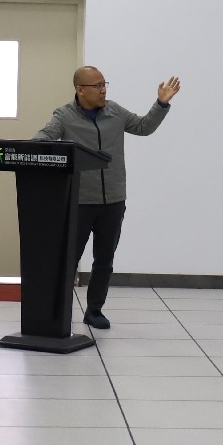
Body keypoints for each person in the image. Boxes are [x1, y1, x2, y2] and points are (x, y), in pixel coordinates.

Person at [33, 67, 181, 330]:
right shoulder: (64, 115)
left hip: (113, 201)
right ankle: (57, 312)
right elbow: (45, 137)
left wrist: (161, 104)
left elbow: (143, 127)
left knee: (104, 260)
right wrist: (33, 147)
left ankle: (94, 311)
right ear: (80, 90)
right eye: (97, 86)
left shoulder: (115, 112)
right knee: (68, 261)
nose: (103, 90)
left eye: (104, 84)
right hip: (78, 202)